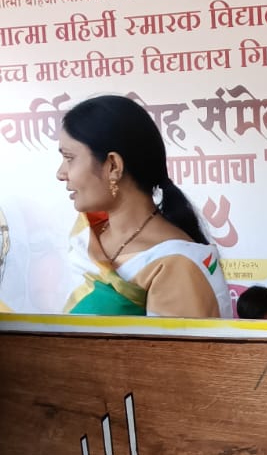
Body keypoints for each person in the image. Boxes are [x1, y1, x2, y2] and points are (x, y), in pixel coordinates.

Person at [56, 95, 231, 319]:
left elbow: (176, 343)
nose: (61, 173)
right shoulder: (85, 235)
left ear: (113, 165)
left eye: (69, 158)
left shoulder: (175, 263)